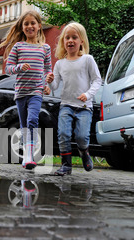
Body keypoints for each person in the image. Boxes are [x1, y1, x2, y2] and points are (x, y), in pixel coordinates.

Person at [0, 10, 52, 170]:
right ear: (22, 28)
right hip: (21, 92)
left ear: (39, 26)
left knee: (32, 120)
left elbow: (48, 70)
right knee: (23, 126)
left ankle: (29, 155)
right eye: (26, 24)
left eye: (33, 23)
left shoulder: (45, 48)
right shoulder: (18, 46)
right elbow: (8, 69)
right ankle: (26, 149)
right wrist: (19, 67)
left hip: (36, 91)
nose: (30, 26)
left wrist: (48, 83)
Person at [46, 22, 102, 175]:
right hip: (66, 105)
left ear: (81, 41)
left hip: (84, 107)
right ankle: (66, 165)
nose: (70, 40)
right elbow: (55, 86)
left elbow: (97, 80)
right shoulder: (59, 64)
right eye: (67, 37)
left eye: (74, 37)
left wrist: (88, 94)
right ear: (63, 42)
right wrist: (50, 81)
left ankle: (84, 152)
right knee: (63, 134)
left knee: (82, 137)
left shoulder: (87, 59)